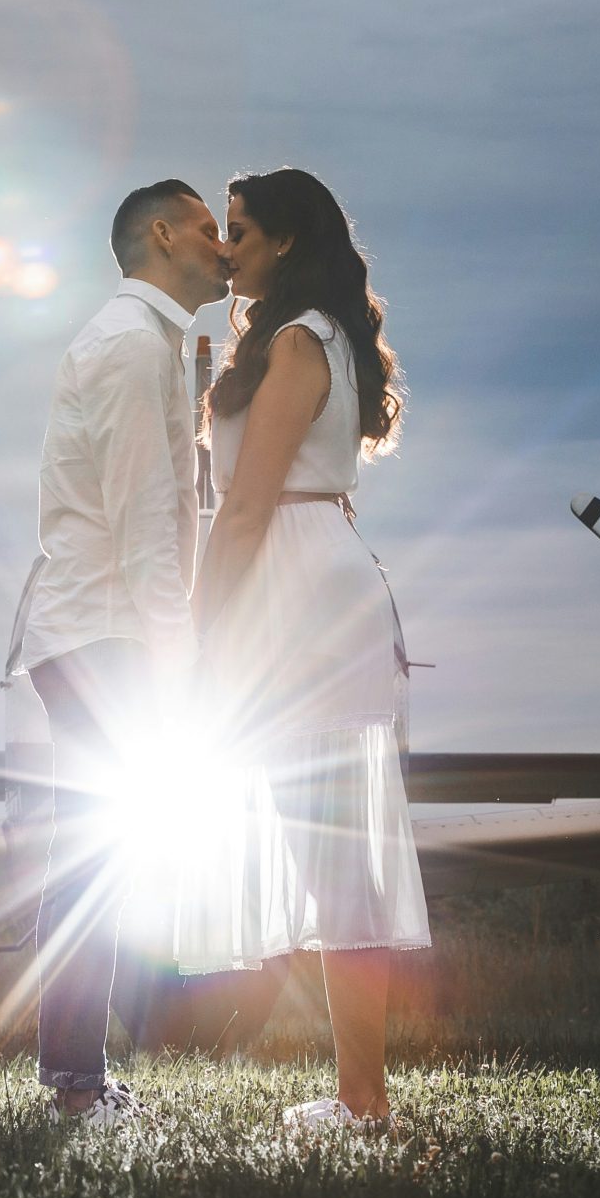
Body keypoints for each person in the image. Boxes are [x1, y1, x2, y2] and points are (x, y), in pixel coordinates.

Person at [186, 167, 430, 1129]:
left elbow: (245, 501)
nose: (226, 246)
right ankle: (360, 1094)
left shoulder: (296, 342)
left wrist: (204, 636)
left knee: (335, 857)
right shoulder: (313, 334)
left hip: (292, 585)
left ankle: (363, 1100)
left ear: (285, 241)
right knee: (331, 853)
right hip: (313, 572)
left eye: (239, 230)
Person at [16, 178, 230, 1128]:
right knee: (98, 858)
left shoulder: (151, 342)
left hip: (99, 629)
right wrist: (179, 663)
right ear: (159, 234)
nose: (222, 246)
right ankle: (73, 1082)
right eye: (205, 227)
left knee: (100, 853)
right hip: (108, 632)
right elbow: (145, 516)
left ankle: (77, 1072)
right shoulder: (130, 343)